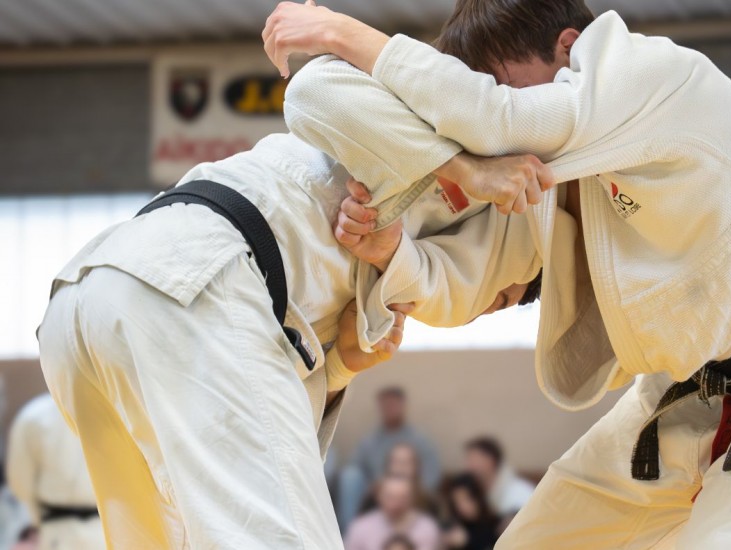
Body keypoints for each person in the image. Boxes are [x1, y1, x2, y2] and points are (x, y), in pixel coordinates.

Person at [262, 0, 731, 547]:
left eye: (507, 88)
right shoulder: (540, 175)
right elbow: (460, 281)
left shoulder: (658, 75)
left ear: (570, 48)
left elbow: (494, 117)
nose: (495, 136)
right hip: (685, 395)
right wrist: (397, 246)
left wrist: (339, 29)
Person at [37, 123, 547, 547]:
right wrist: (468, 169)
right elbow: (318, 85)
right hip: (189, 284)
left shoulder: (405, 253)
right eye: (499, 298)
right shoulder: (452, 136)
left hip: (87, 300)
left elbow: (263, 421)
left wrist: (341, 365)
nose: (481, 309)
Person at [6, 393, 104, 550]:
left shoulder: (34, 415)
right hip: (69, 530)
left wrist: (36, 520)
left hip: (60, 532)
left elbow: (21, 485)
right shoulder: (120, 411)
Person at [339, 388, 440, 527]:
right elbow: (355, 466)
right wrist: (376, 488)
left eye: (394, 405)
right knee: (349, 475)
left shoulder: (418, 439)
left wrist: (412, 490)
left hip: (411, 494)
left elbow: (432, 474)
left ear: (403, 406)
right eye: (386, 405)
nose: (390, 409)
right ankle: (349, 533)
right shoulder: (370, 440)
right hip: (376, 495)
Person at [344, 475, 440, 550]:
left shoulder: (427, 528)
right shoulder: (360, 527)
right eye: (390, 497)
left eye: (402, 498)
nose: (395, 504)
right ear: (379, 496)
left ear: (412, 499)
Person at [462, 438, 533, 519]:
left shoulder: (521, 492)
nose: (469, 466)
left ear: (491, 460)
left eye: (473, 459)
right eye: (468, 460)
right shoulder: (472, 490)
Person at [442, 473, 499, 550]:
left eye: (466, 499)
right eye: (457, 502)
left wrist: (468, 541)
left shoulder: (495, 525)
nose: (462, 507)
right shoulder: (455, 527)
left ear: (477, 497)